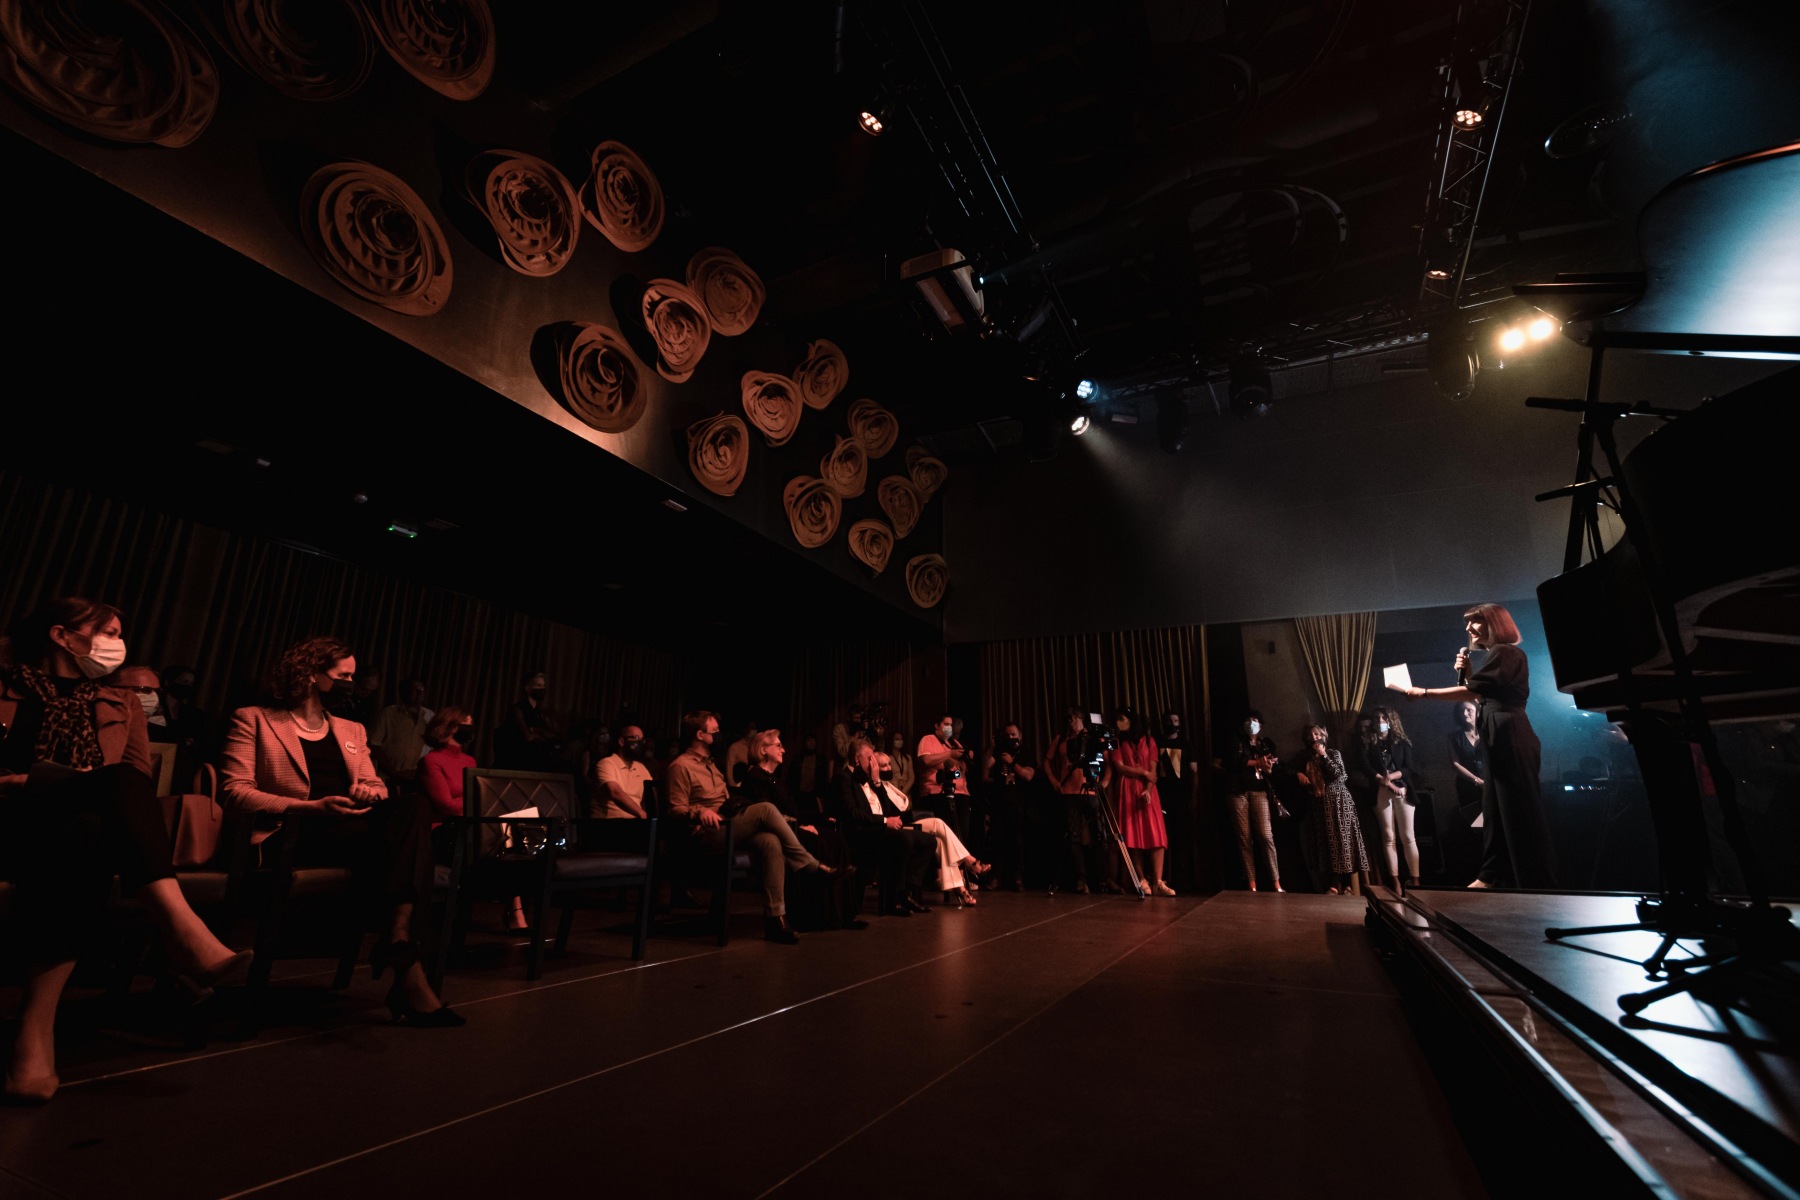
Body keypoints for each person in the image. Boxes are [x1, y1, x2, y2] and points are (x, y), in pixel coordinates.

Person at [0, 599, 252, 1103]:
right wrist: (31, 782)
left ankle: (34, 1032)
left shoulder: (120, 702)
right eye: (108, 632)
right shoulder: (6, 688)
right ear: (62, 636)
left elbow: (136, 778)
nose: (118, 644)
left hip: (77, 830)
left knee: (96, 821)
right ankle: (180, 929)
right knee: (109, 793)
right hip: (10, 822)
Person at [219, 635, 461, 1027]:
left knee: (413, 806)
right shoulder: (255, 719)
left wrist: (368, 792)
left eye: (352, 676)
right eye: (343, 675)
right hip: (292, 832)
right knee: (399, 850)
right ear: (310, 674)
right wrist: (309, 807)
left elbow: (378, 786)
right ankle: (405, 961)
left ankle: (399, 937)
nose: (351, 683)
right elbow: (235, 792)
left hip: (349, 829)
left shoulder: (351, 729)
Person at [1392, 602, 1555, 888]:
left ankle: (1534, 880)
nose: (1469, 628)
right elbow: (1482, 695)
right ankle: (1490, 875)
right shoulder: (1498, 655)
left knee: (1517, 810)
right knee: (1495, 809)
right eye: (1468, 623)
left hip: (1510, 734)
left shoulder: (1506, 652)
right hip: (1499, 734)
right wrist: (1468, 673)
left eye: (1475, 621)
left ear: (1495, 624)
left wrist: (1424, 692)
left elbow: (1471, 693)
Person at [664, 710, 836, 943]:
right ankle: (809, 865)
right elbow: (675, 809)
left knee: (770, 842)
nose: (719, 734)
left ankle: (776, 919)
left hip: (728, 824)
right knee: (766, 809)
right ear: (700, 735)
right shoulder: (680, 766)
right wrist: (700, 812)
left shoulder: (712, 766)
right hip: (704, 833)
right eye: (714, 731)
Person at [739, 729, 864, 930]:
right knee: (817, 841)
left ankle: (842, 914)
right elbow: (770, 816)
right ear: (763, 750)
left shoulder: (775, 778)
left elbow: (795, 809)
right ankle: (816, 916)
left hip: (794, 824)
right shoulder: (754, 777)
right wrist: (800, 825)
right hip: (780, 831)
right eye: (778, 746)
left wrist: (819, 818)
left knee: (836, 839)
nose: (783, 750)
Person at [831, 739, 937, 916]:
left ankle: (905, 892)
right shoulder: (843, 778)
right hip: (860, 833)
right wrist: (884, 821)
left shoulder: (871, 779)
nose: (873, 763)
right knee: (902, 839)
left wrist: (877, 782)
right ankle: (893, 899)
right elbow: (852, 813)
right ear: (857, 759)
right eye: (870, 758)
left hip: (879, 830)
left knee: (928, 841)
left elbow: (888, 810)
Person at [879, 750, 988, 906]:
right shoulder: (876, 787)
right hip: (894, 825)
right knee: (938, 823)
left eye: (889, 764)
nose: (888, 768)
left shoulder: (889, 786)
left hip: (906, 822)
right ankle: (970, 861)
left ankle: (960, 888)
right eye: (883, 765)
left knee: (941, 841)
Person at [1107, 707, 1175, 896]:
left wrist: (1148, 788)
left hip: (1147, 790)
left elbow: (1153, 771)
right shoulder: (1117, 742)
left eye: (1122, 718)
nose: (1119, 722)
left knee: (1156, 835)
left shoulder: (1150, 740)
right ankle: (1141, 879)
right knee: (1132, 835)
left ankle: (1158, 881)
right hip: (1127, 789)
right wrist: (1143, 772)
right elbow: (1120, 767)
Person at [1300, 725, 1368, 894]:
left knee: (1343, 840)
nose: (1314, 737)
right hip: (1320, 803)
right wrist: (1299, 774)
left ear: (1323, 736)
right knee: (1328, 842)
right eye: (1311, 735)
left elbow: (1338, 774)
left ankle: (1347, 885)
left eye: (1317, 734)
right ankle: (1333, 884)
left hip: (1339, 801)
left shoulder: (1333, 753)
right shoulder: (1307, 758)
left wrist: (1323, 755)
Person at [1044, 708, 1103, 893]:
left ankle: (1100, 878)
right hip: (1069, 791)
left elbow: (1105, 762)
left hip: (1090, 791)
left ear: (1081, 719)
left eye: (1074, 719)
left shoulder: (1091, 737)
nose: (1071, 723)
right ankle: (1081, 879)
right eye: (1069, 719)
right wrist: (1054, 781)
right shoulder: (1062, 739)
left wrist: (1103, 782)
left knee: (1097, 834)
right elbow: (1047, 761)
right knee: (1073, 836)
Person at [1227, 711, 1283, 892]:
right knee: (1245, 838)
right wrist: (1257, 762)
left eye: (1255, 720)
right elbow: (1235, 761)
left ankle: (1276, 882)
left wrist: (1268, 765)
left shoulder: (1265, 743)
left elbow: (1274, 767)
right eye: (1248, 719)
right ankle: (1252, 883)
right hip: (1238, 792)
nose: (1252, 723)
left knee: (1266, 836)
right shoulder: (1236, 741)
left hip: (1259, 791)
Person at [1367, 706, 1419, 889]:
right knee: (1389, 836)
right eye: (1377, 718)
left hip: (1403, 789)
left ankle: (1415, 879)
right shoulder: (1369, 743)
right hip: (1381, 791)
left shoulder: (1401, 742)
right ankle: (1395, 880)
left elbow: (1410, 767)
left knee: (1408, 836)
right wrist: (1386, 782)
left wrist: (1392, 778)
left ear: (1391, 720)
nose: (1380, 721)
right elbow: (1366, 767)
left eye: (1384, 718)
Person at [982, 722, 1037, 890]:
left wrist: (1012, 763)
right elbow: (985, 770)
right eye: (1007, 735)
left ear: (1020, 736)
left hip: (1019, 803)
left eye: (1013, 735)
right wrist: (992, 748)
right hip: (999, 801)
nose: (1010, 738)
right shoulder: (999, 752)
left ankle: (1017, 878)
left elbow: (1028, 776)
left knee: (1017, 841)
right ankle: (995, 877)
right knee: (997, 839)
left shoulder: (1025, 753)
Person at [368, 676, 434, 790]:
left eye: (421, 690)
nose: (419, 693)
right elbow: (374, 745)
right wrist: (393, 771)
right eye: (415, 690)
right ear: (405, 692)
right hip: (387, 777)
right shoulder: (388, 713)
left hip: (416, 779)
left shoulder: (430, 717)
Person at [917, 713, 971, 842]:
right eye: (946, 724)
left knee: (962, 834)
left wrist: (966, 758)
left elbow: (963, 769)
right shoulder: (928, 739)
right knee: (945, 835)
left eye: (951, 725)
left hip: (960, 792)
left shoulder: (954, 742)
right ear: (937, 725)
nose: (949, 728)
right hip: (937, 792)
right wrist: (950, 754)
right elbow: (926, 760)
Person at [494, 670, 562, 772]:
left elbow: (555, 737)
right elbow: (528, 737)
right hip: (518, 761)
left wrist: (536, 730)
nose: (542, 688)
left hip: (538, 761)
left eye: (543, 685)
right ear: (527, 688)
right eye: (538, 685)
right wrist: (543, 735)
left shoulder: (542, 712)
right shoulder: (517, 709)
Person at [593, 724, 653, 819]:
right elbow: (615, 792)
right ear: (621, 741)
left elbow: (652, 793)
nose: (640, 743)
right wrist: (641, 813)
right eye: (635, 738)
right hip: (609, 823)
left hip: (635, 821)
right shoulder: (607, 763)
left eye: (642, 740)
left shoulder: (640, 768)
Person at [1449, 700, 1487, 817]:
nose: (1465, 714)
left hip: (1490, 783)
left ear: (1478, 712)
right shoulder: (1454, 736)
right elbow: (1455, 763)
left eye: (1469, 710)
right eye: (1461, 711)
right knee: (1476, 822)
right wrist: (1476, 780)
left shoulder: (1488, 732)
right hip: (1467, 785)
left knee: (1496, 820)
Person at [724, 720, 758, 785]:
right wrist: (733, 786)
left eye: (755, 728)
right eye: (751, 728)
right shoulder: (734, 747)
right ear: (745, 729)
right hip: (737, 785)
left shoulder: (756, 748)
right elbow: (729, 769)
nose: (754, 730)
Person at [888, 731, 915, 798]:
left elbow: (911, 777)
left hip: (905, 792)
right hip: (892, 791)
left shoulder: (907, 758)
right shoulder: (887, 757)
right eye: (897, 739)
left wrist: (904, 791)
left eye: (901, 739)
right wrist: (895, 791)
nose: (899, 741)